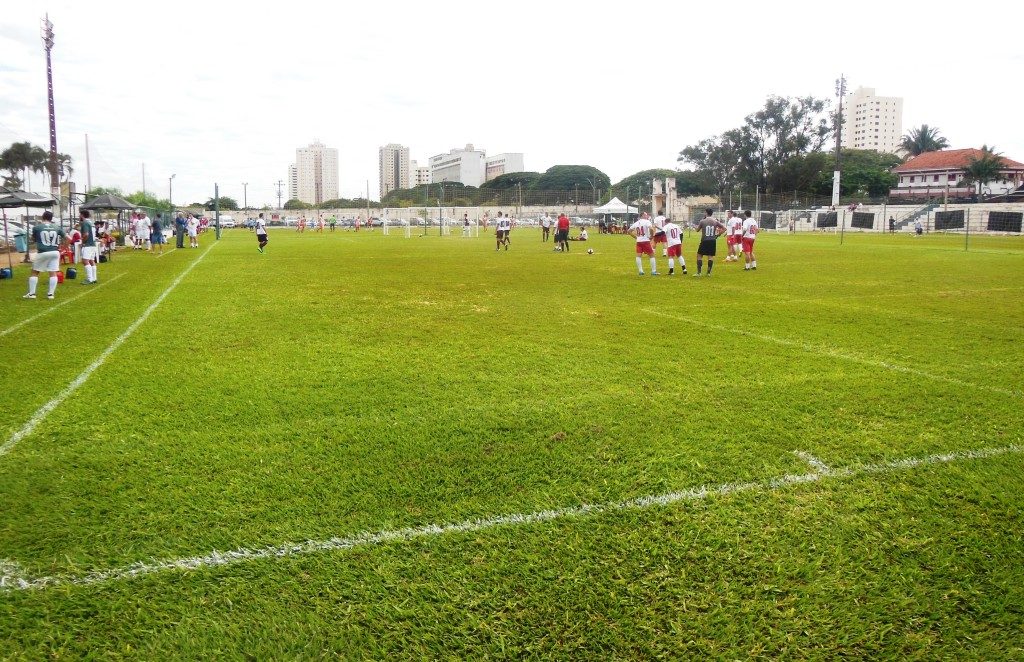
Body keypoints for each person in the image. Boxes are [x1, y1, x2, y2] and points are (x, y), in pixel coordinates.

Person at [23, 210, 65, 300]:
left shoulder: (37, 227)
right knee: (53, 272)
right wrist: (64, 247)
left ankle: (32, 294)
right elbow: (68, 238)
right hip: (55, 252)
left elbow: (33, 239)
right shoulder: (57, 227)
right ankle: (50, 294)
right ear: (51, 218)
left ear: (43, 217)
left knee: (35, 272)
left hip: (43, 252)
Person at [692, 208, 726, 277]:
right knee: (710, 256)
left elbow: (697, 230)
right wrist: (718, 235)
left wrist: (694, 227)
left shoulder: (702, 221)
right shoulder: (715, 221)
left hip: (704, 240)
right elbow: (724, 229)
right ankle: (708, 273)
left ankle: (699, 273)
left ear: (706, 213)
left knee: (699, 255)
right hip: (712, 240)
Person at [79, 210, 99, 284]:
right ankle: (94, 278)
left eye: (80, 215)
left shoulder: (85, 223)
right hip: (93, 244)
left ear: (82, 215)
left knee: (85, 261)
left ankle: (89, 279)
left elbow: (86, 234)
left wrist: (83, 241)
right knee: (91, 260)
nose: (79, 216)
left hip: (88, 245)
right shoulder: (91, 222)